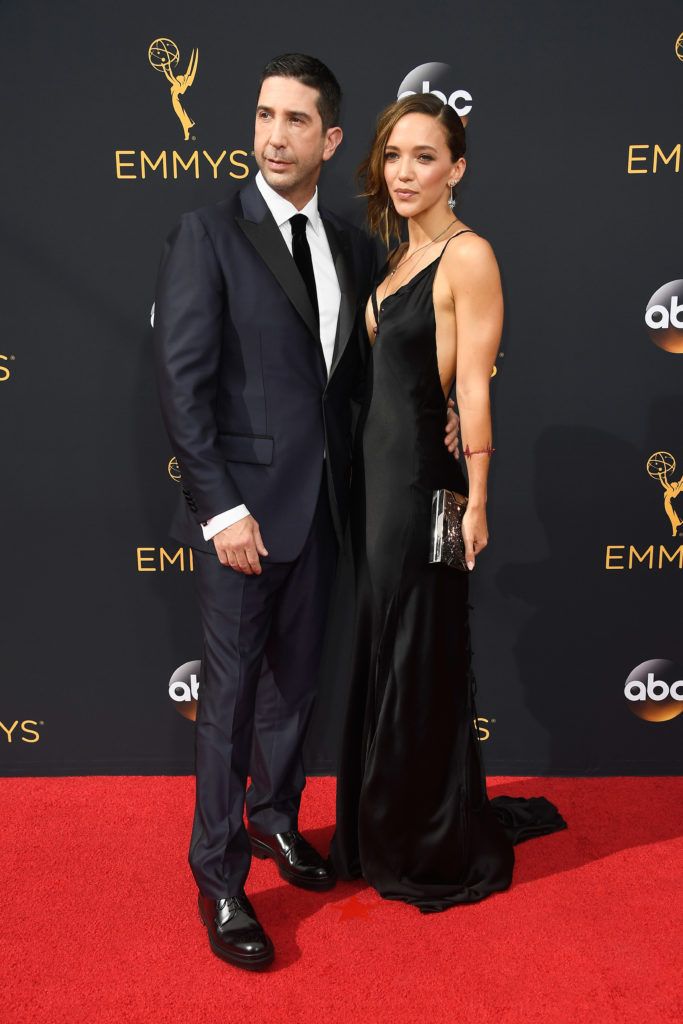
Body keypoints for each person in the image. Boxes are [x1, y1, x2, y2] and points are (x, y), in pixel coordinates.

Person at [153, 55, 461, 967]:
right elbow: (183, 389)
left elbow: (365, 385)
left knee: (297, 692)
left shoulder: (356, 246)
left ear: (330, 140)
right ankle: (218, 881)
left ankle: (276, 821)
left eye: (294, 121)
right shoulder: (207, 233)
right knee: (232, 703)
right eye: (262, 116)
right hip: (241, 522)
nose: (272, 135)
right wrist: (220, 513)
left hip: (327, 516)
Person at [330, 93, 566, 913]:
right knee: (384, 652)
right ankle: (377, 825)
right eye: (393, 155)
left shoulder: (468, 257)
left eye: (423, 156)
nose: (403, 172)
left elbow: (472, 387)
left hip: (419, 489)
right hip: (373, 484)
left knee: (413, 657)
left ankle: (419, 836)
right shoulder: (394, 258)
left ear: (456, 169)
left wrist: (477, 501)